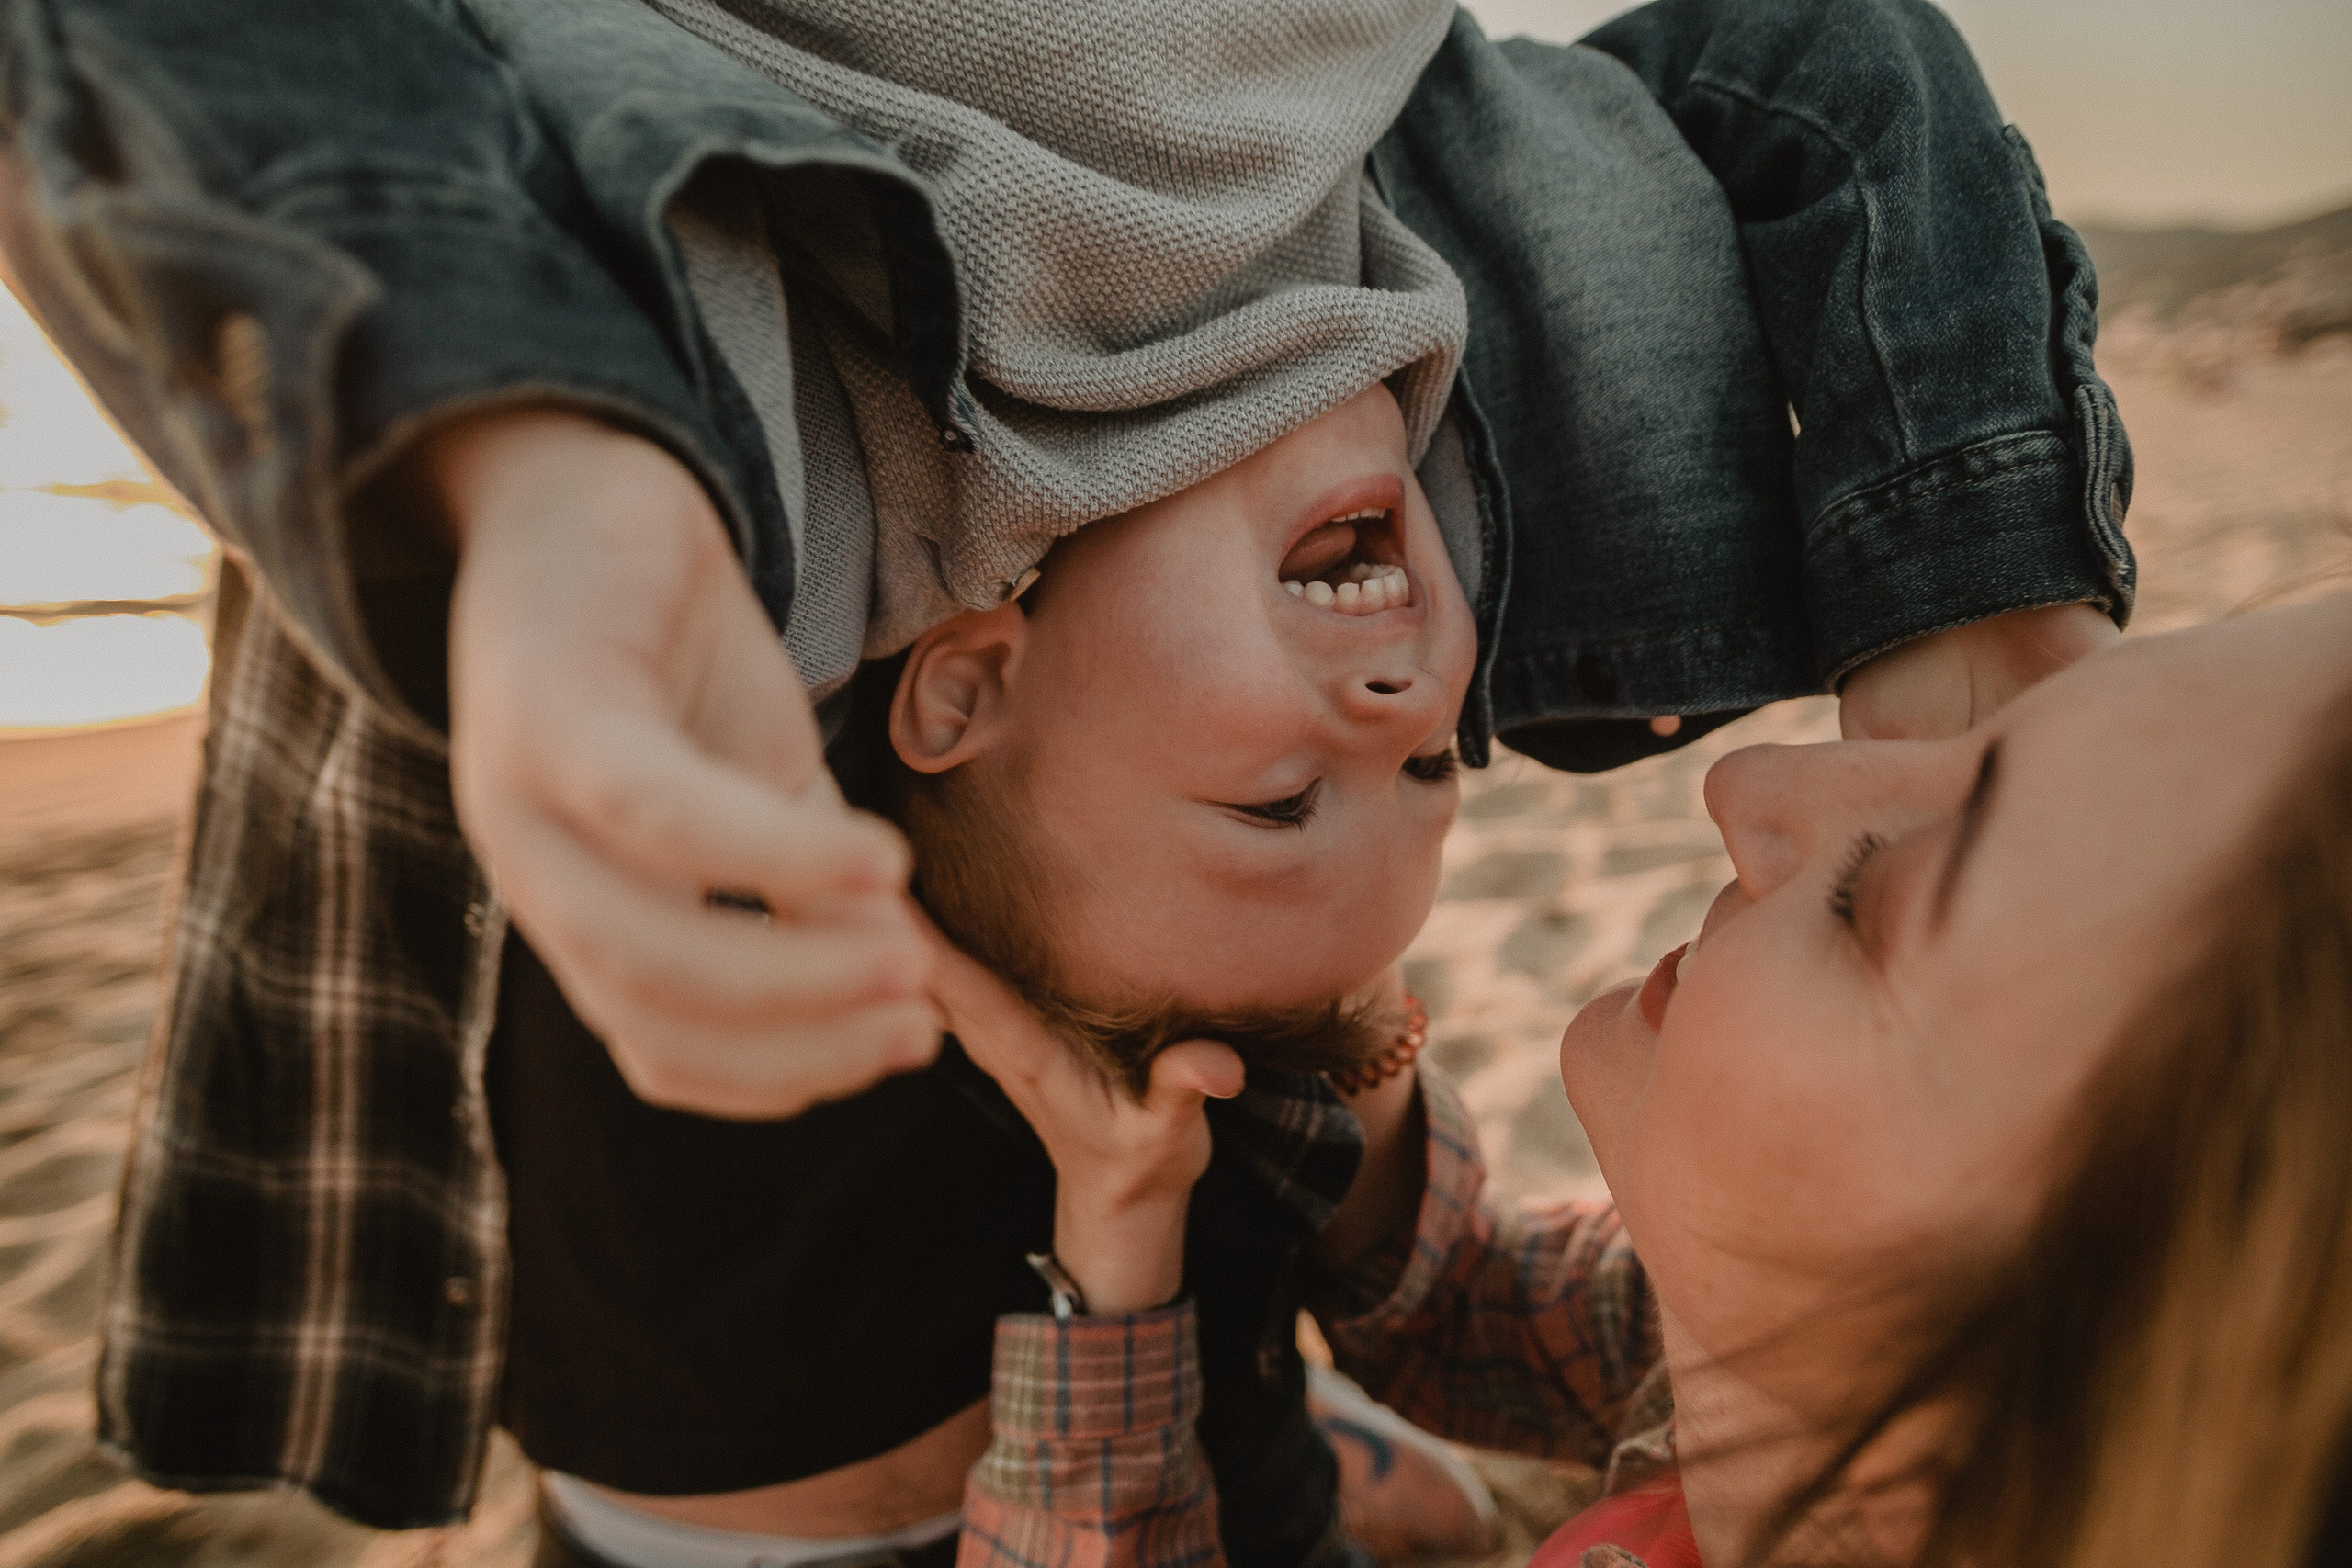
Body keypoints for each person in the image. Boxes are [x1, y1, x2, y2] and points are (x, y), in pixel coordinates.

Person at [0, 0, 2129, 1564]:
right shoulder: (1389, 407)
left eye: (1293, 803)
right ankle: (1325, 1441)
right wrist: (1994, 762)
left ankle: (1313, 1441)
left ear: (958, 684)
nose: (1417, 693)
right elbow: (1827, 84)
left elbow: (207, 69)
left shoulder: (763, 553)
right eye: (1425, 766)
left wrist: (531, 468)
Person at [940, 592, 2352, 1568]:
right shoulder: (1802, 1381)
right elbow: (1460, 1307)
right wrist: (1310, 981)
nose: (1753, 785)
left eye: (1884, 897)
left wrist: (1113, 1268)